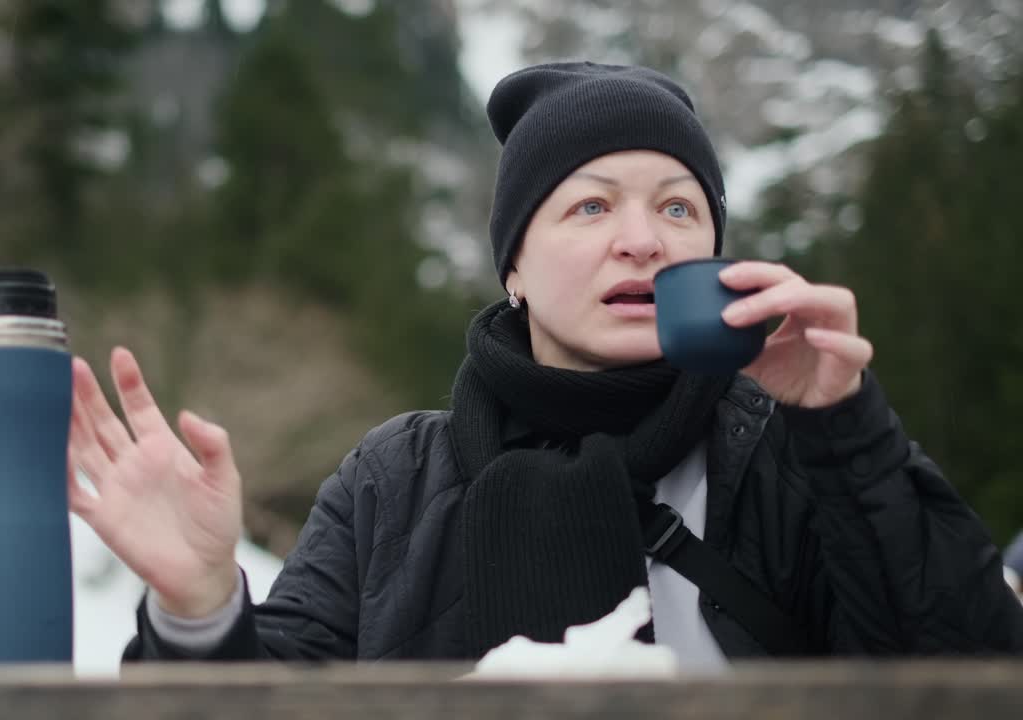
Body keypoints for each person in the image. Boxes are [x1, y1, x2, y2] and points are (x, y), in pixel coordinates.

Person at [66, 63, 1023, 668]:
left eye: (680, 209)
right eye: (592, 207)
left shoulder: (786, 444)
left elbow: (975, 670)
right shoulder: (392, 478)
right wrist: (199, 609)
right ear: (514, 268)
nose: (644, 241)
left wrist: (846, 431)